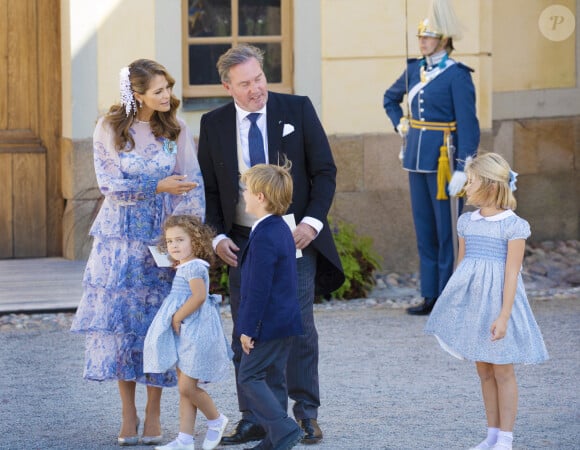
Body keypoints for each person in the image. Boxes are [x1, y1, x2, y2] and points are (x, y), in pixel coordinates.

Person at [197, 44, 344, 446]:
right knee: (246, 325)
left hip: (296, 235)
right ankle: (257, 418)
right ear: (228, 86)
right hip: (243, 242)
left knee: (297, 327)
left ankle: (306, 415)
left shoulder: (297, 109)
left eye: (259, 78)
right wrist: (219, 237)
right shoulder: (213, 124)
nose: (256, 88)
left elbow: (325, 171)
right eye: (245, 83)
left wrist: (313, 224)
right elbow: (210, 190)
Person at [70, 59, 205, 446]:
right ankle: (128, 411)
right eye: (159, 90)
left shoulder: (176, 129)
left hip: (164, 239)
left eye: (168, 88)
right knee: (123, 327)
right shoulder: (110, 128)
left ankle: (154, 411)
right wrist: (158, 186)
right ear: (137, 94)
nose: (167, 96)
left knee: (159, 324)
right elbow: (110, 184)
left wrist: (189, 242)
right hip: (120, 241)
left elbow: (192, 185)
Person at [424, 152, 549, 450]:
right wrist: (456, 307)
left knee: (503, 369)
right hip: (475, 307)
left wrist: (504, 316)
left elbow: (511, 274)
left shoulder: (513, 226)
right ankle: (491, 435)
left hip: (499, 305)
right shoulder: (467, 222)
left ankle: (505, 438)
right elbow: (461, 267)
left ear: (491, 185)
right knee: (483, 370)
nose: (466, 187)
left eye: (471, 182)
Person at [383, 0, 480, 315]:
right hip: (416, 159)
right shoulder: (414, 69)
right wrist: (400, 122)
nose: (422, 42)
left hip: (445, 161)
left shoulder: (457, 75)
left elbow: (469, 124)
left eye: (428, 37)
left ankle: (450, 295)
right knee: (425, 229)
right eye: (420, 37)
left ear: (444, 40)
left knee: (447, 232)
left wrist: (464, 168)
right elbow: (389, 98)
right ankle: (430, 295)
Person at [143, 215, 231, 450]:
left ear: (196, 241)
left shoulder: (194, 266)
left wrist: (177, 316)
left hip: (194, 330)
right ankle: (185, 439)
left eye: (180, 240)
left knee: (186, 387)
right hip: (186, 331)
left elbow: (199, 296)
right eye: (170, 241)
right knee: (185, 388)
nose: (174, 246)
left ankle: (216, 419)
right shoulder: (185, 265)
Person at [237, 161, 304, 450]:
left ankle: (284, 429)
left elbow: (258, 289)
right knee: (273, 378)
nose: (243, 195)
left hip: (268, 322)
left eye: (246, 190)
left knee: (249, 375)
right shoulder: (279, 229)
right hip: (285, 320)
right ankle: (274, 439)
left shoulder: (265, 234)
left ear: (260, 197)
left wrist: (248, 329)